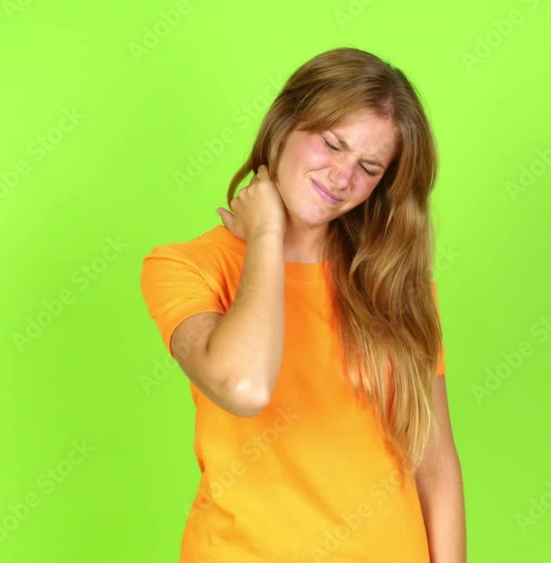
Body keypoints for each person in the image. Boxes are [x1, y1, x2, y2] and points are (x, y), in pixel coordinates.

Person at [140, 47, 466, 562]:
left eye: (368, 167)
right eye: (333, 144)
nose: (342, 176)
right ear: (285, 125)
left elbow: (436, 466)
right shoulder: (188, 267)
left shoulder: (396, 284)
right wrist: (267, 234)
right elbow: (244, 387)